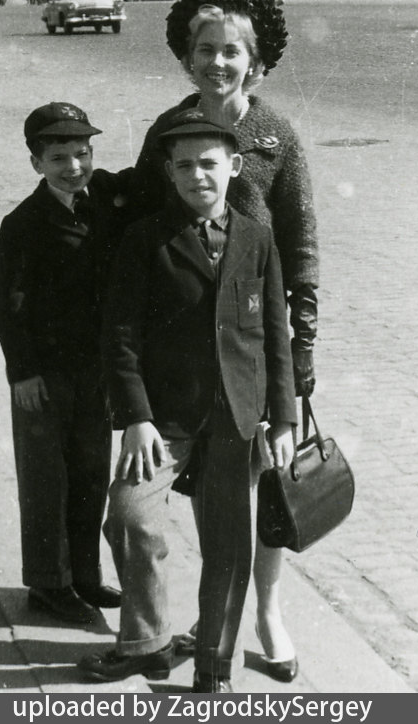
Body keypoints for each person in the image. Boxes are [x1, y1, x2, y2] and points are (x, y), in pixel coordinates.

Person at [126, 0, 317, 682]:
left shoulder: (275, 138)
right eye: (204, 50)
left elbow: (299, 245)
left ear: (255, 59)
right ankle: (205, 626)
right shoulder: (167, 131)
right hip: (182, 351)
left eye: (231, 51)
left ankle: (264, 611)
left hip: (255, 344)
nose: (217, 63)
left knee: (266, 481)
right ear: (186, 56)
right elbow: (142, 233)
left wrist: (300, 345)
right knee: (195, 498)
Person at [81, 108, 296, 691]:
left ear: (234, 167)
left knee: (228, 543)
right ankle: (147, 640)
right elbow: (119, 337)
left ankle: (213, 664)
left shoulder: (257, 239)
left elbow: (275, 332)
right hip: (164, 418)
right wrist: (136, 419)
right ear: (169, 174)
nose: (198, 176)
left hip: (235, 415)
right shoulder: (145, 240)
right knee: (130, 515)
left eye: (209, 164)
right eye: (185, 167)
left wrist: (282, 416)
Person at [0, 103, 129, 626]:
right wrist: (21, 372)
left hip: (92, 371)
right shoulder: (23, 223)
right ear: (35, 164)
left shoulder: (103, 207)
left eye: (82, 153)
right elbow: (8, 303)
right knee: (47, 478)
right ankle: (49, 584)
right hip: (43, 376)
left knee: (91, 470)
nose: (73, 166)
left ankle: (86, 574)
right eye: (58, 157)